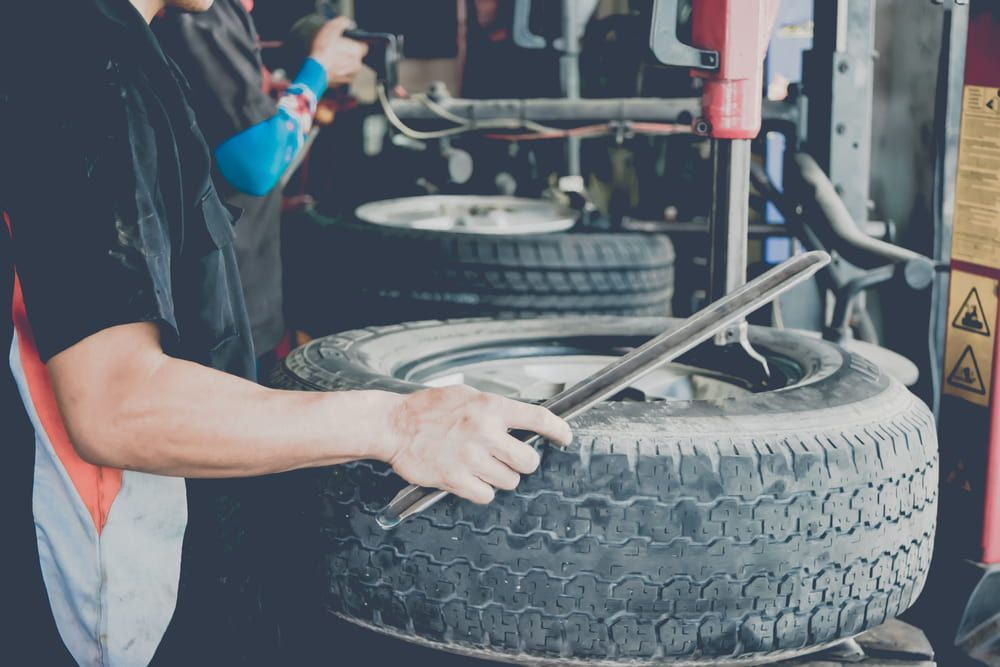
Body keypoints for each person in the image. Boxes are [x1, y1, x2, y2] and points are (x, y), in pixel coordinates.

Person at [0, 0, 571, 664]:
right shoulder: (82, 56)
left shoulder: (102, 43)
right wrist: (400, 424)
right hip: (96, 572)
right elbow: (116, 404)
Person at [154, 2, 368, 366]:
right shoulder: (202, 14)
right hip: (215, 300)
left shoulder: (221, 14)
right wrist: (318, 71)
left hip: (226, 291)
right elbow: (256, 166)